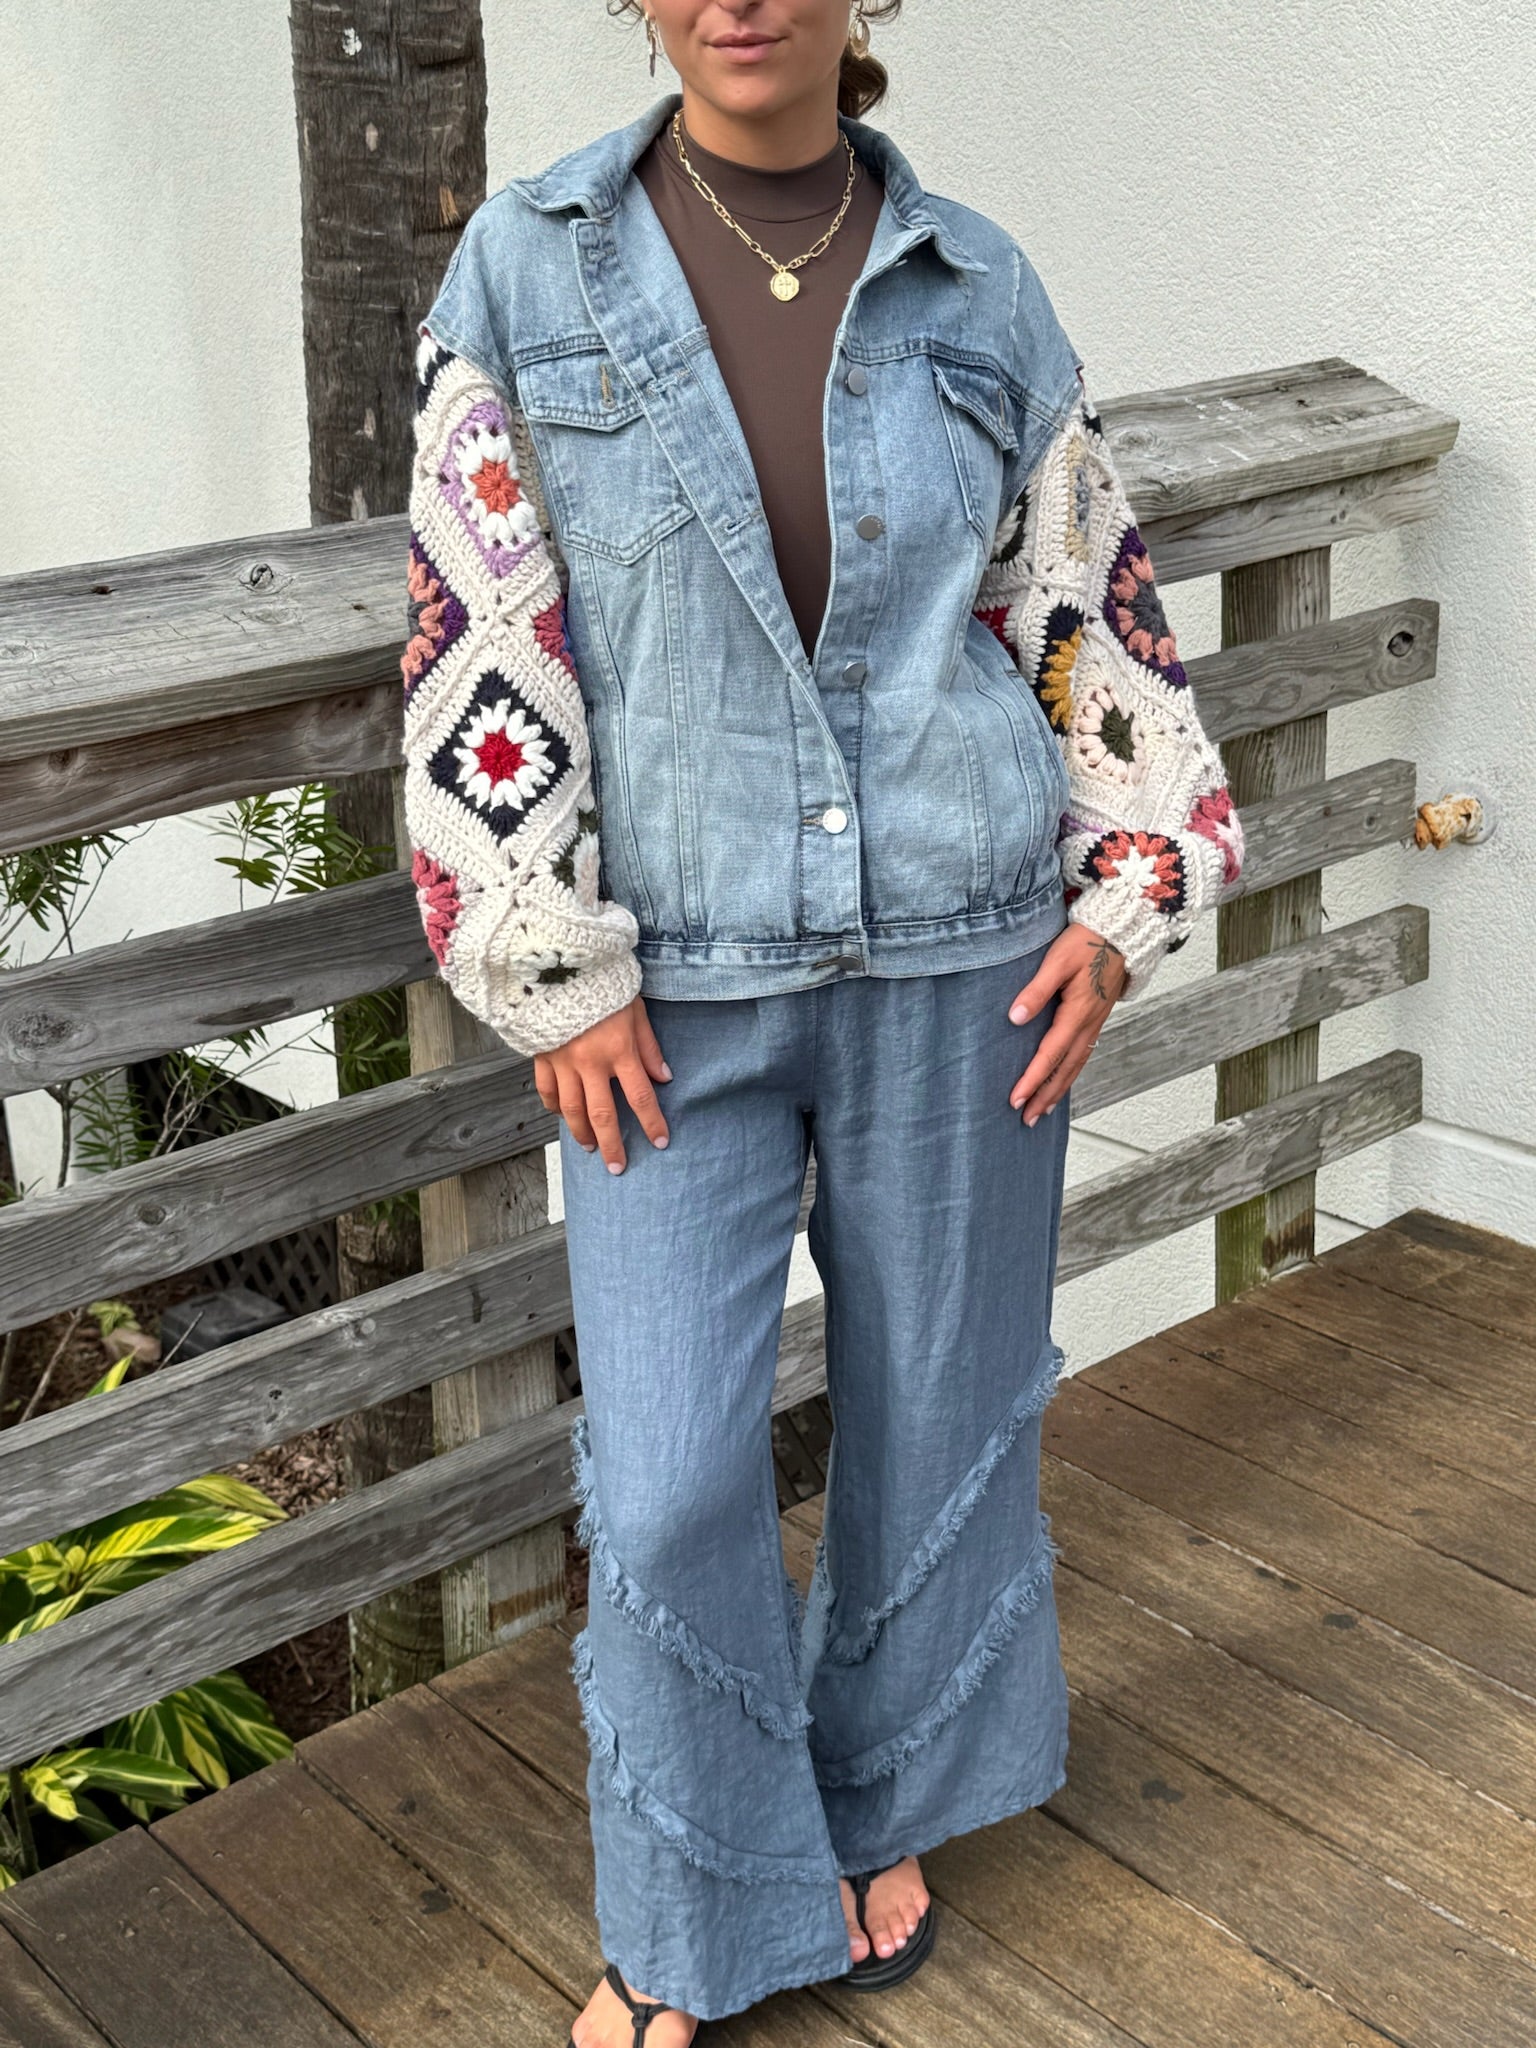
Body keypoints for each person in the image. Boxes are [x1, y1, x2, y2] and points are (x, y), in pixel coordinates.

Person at [400, 4, 1244, 2040]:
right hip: (663, 993)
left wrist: (1133, 885)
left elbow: (1081, 607)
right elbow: (475, 619)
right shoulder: (527, 267)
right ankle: (693, 1905)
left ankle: (878, 1802)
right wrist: (540, 948)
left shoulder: (978, 285)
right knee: (673, 1475)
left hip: (963, 950)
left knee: (940, 1419)